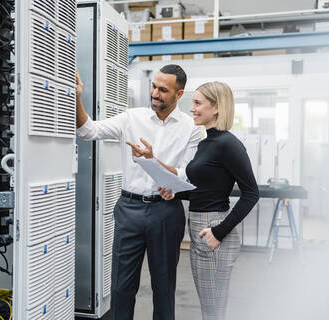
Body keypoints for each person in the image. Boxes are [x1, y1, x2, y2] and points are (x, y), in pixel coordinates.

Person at [76, 64, 202, 320]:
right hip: (129, 210)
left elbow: (186, 173)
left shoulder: (192, 128)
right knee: (121, 287)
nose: (155, 93)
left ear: (178, 94)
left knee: (163, 287)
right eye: (154, 86)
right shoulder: (131, 117)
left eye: (163, 90)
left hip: (166, 213)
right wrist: (78, 97)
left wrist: (153, 161)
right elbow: (88, 130)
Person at [156, 81, 260, 320]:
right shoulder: (206, 143)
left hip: (214, 232)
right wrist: (176, 193)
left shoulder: (229, 145)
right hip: (202, 229)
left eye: (197, 103)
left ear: (216, 107)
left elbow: (251, 193)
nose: (191, 108)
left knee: (213, 311)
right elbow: (204, 190)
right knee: (210, 309)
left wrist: (219, 232)